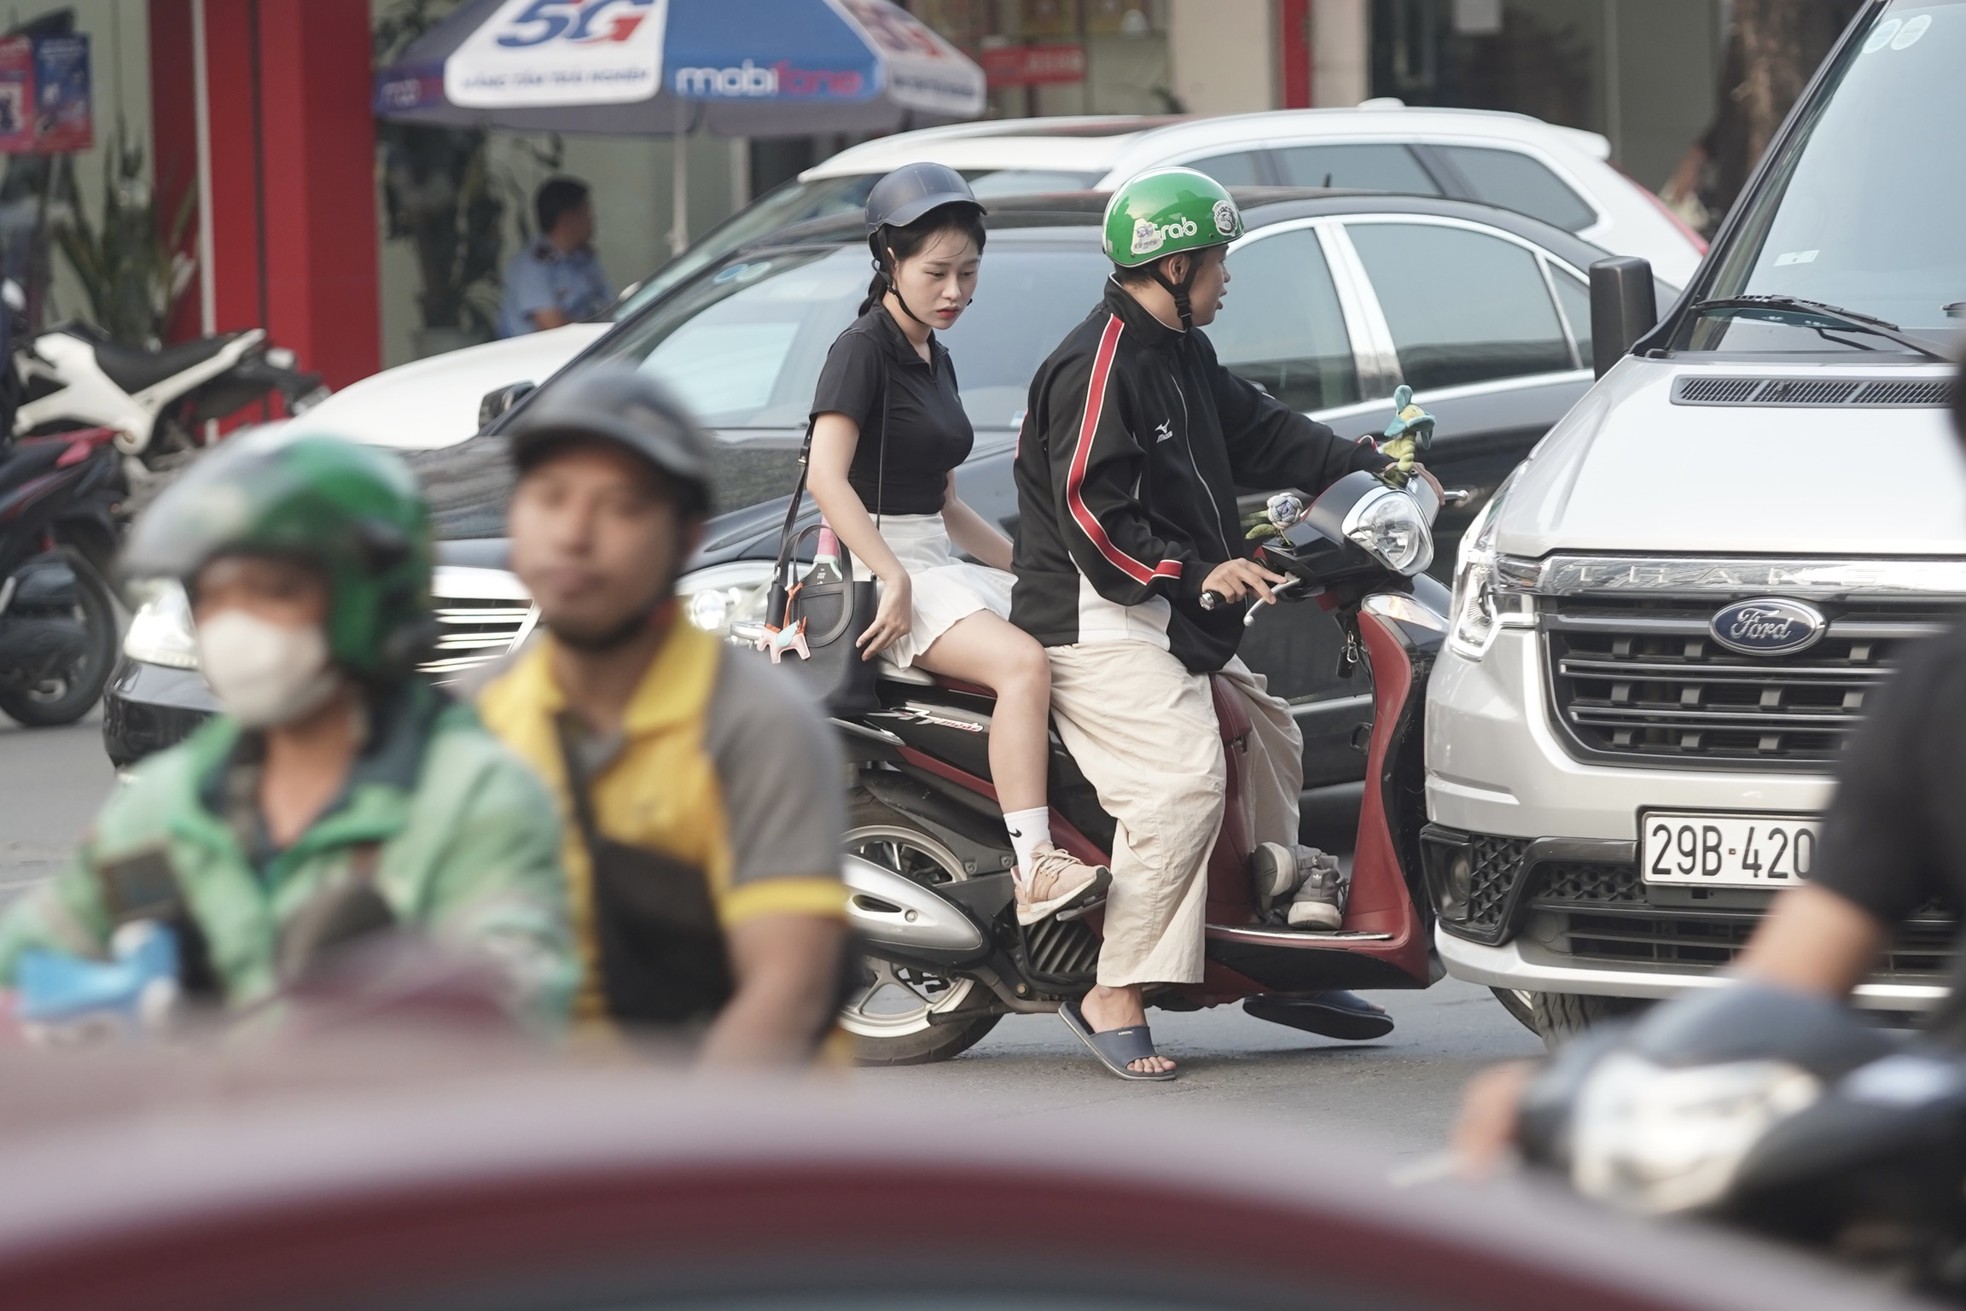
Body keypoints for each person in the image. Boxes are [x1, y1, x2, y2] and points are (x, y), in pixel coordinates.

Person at [1455, 351, 1966, 1169]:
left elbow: (1785, 989)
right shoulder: (1940, 697)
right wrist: (1588, 1086)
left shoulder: (1939, 687)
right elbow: (1786, 985)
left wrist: (1581, 1091)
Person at [1013, 167, 1410, 1080]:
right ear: (1176, 263)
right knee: (1184, 780)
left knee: (1268, 729)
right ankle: (1115, 986)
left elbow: (1263, 431)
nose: (1227, 276)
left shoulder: (1178, 350)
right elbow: (1091, 518)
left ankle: (1271, 950)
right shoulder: (1098, 361)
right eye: (1219, 260)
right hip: (1093, 618)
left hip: (1158, 614)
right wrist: (1196, 572)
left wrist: (1366, 464)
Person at [0, 431, 577, 1026]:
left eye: (274, 592)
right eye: (217, 597)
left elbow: (516, 1004)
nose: (238, 624)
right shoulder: (174, 803)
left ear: (369, 602)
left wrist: (376, 993)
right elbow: (31, 955)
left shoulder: (473, 797)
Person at [476, 365, 851, 1066]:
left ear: (684, 537)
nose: (574, 534)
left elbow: (785, 989)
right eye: (549, 498)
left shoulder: (756, 724)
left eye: (619, 506)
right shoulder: (471, 721)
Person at [805, 162, 1108, 927]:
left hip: (934, 560)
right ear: (889, 262)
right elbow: (825, 479)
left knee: (1088, 639)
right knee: (1023, 664)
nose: (954, 292)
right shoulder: (861, 350)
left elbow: (944, 498)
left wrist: (1037, 567)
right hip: (889, 571)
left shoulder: (931, 354)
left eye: (968, 274)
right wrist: (889, 575)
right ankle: (1036, 864)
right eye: (936, 272)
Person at [498, 176, 613, 338]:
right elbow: (553, 328)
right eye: (587, 212)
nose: (592, 219)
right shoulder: (533, 267)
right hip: (542, 358)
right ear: (567, 218)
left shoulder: (584, 258)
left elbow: (609, 309)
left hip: (589, 349)